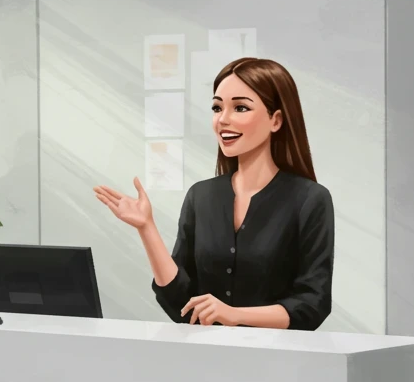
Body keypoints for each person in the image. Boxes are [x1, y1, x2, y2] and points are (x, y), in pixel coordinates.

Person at [94, 56, 334, 330]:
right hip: (205, 359)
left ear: (276, 120)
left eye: (240, 108)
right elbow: (182, 305)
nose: (223, 120)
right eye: (217, 108)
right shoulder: (201, 196)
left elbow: (313, 304)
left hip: (277, 363)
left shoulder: (310, 200)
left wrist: (234, 315)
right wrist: (146, 227)